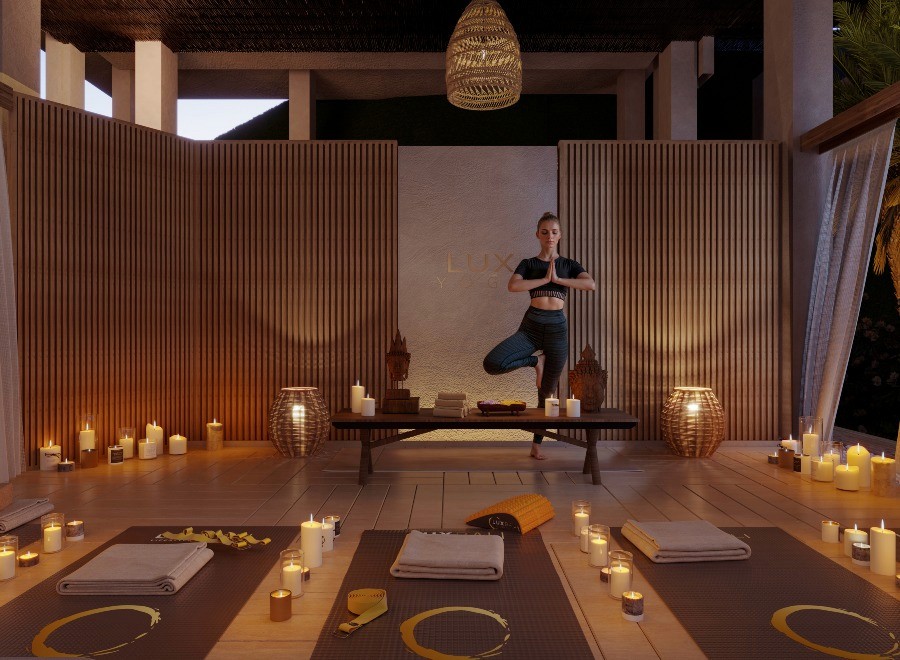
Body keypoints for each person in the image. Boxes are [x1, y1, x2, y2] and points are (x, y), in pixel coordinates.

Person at [483, 212, 596, 459]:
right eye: (544, 232)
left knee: (546, 394)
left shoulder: (569, 265)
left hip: (557, 329)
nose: (550, 236)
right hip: (531, 326)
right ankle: (536, 361)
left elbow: (590, 284)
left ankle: (536, 446)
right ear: (537, 235)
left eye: (554, 232)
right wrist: (544, 279)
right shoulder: (529, 263)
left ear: (560, 235)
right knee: (492, 363)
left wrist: (558, 279)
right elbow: (513, 286)